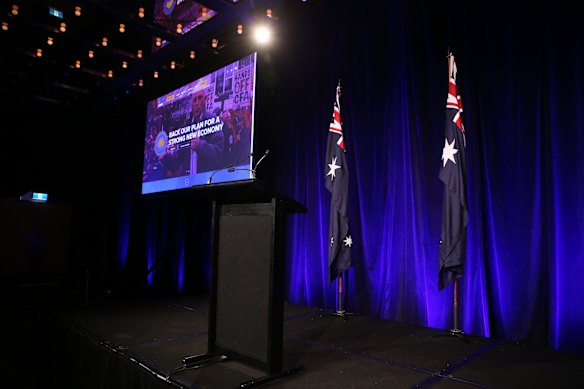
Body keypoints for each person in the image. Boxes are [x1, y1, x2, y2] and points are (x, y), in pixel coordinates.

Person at [183, 87, 224, 173]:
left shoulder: (212, 120)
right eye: (194, 100)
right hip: (187, 182)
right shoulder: (187, 125)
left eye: (200, 98)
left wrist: (201, 146)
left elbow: (219, 154)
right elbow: (179, 160)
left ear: (205, 100)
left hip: (205, 180)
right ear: (192, 104)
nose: (197, 103)